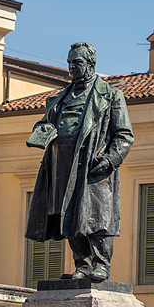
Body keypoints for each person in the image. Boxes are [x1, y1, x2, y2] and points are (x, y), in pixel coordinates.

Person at [26, 42, 133, 282]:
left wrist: (110, 159)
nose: (72, 67)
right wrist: (41, 131)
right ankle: (82, 265)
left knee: (98, 218)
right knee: (68, 215)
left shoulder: (110, 95)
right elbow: (45, 122)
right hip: (61, 164)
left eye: (77, 62)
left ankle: (101, 265)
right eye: (69, 63)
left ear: (91, 64)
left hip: (92, 166)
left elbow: (124, 135)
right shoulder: (60, 98)